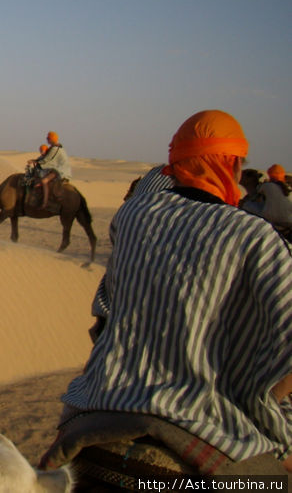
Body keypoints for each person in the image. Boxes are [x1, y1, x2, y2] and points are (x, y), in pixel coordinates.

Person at [46, 110, 292, 475]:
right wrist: (264, 399)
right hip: (204, 422)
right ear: (233, 165)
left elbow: (106, 312)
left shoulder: (131, 216)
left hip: (97, 403)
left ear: (175, 163)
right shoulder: (253, 236)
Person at [241, 163, 292, 237]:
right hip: (285, 224)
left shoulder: (267, 187)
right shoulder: (285, 188)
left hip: (273, 223)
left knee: (246, 205)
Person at [27, 131, 71, 209]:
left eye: (48, 138)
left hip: (60, 171)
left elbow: (47, 160)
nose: (47, 140)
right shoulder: (54, 148)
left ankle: (45, 202)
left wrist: (35, 162)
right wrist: (35, 161)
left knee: (44, 181)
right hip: (55, 169)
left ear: (52, 139)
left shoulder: (55, 149)